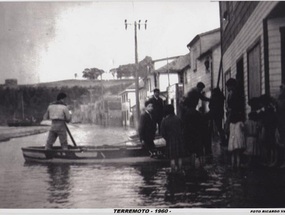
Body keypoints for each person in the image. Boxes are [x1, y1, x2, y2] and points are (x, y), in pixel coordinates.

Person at [161, 104, 184, 172]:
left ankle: (173, 172)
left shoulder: (164, 120)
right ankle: (180, 170)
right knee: (180, 157)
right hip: (180, 140)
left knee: (172, 158)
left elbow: (163, 133)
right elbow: (183, 128)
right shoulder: (178, 118)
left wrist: (167, 138)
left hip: (170, 141)